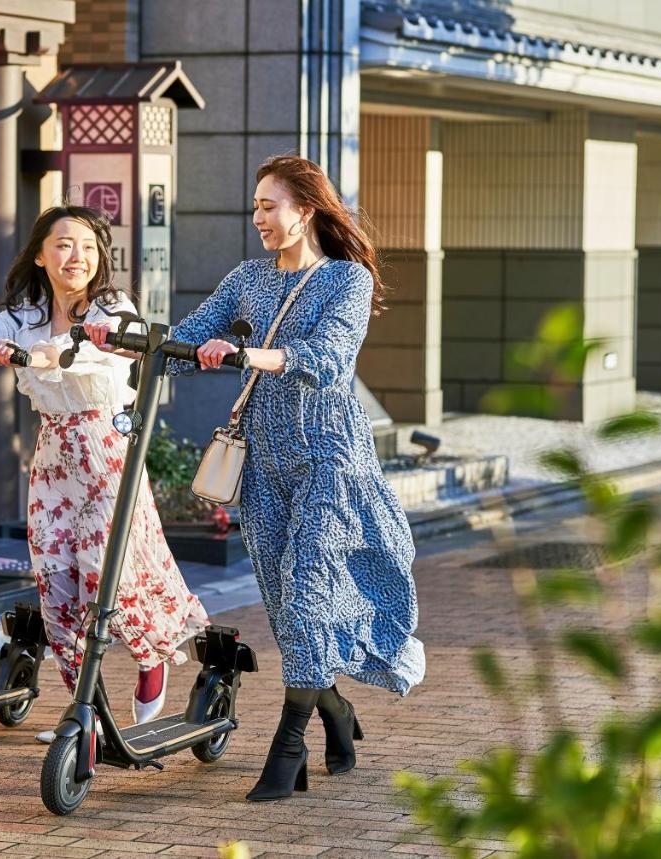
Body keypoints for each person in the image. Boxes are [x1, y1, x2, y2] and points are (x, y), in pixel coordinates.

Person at [88, 155, 424, 799]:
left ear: (307, 210)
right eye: (255, 208)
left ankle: (289, 741)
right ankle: (337, 713)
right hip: (263, 464)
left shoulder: (345, 281)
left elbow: (326, 362)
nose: (258, 219)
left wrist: (246, 354)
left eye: (269, 207)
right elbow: (185, 345)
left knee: (305, 589)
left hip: (331, 457)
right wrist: (123, 341)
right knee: (285, 600)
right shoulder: (247, 278)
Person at [0, 205, 210, 742]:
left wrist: (45, 354)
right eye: (62, 244)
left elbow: (95, 346)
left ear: (100, 255)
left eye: (86, 246)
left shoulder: (112, 307)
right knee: (56, 575)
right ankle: (86, 712)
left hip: (108, 454)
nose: (75, 256)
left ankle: (151, 662)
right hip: (55, 457)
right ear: (40, 255)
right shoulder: (28, 314)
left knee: (116, 572)